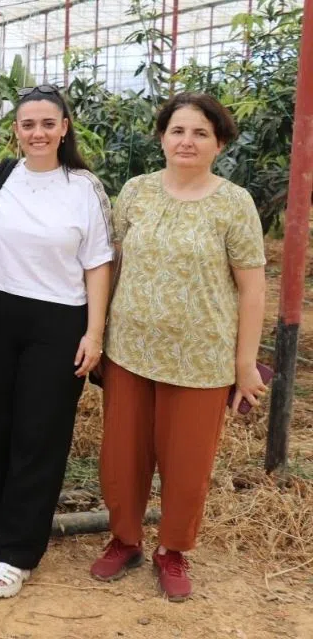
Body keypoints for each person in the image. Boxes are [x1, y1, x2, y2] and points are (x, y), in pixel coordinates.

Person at [90, 93, 266, 602]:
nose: (187, 141)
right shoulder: (136, 191)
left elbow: (252, 288)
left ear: (219, 144)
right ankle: (125, 540)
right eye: (178, 131)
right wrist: (98, 332)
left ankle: (172, 549)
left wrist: (245, 364)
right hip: (131, 349)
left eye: (200, 133)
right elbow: (113, 263)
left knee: (187, 463)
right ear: (162, 138)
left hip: (201, 356)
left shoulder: (234, 202)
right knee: (122, 456)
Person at [0, 85, 113, 598]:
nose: (37, 133)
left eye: (47, 124)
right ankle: (0, 529)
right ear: (16, 130)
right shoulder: (0, 176)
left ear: (64, 129)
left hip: (57, 320)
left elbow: (98, 263)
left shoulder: (83, 187)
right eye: (28, 124)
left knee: (40, 433)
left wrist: (94, 332)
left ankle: (19, 553)